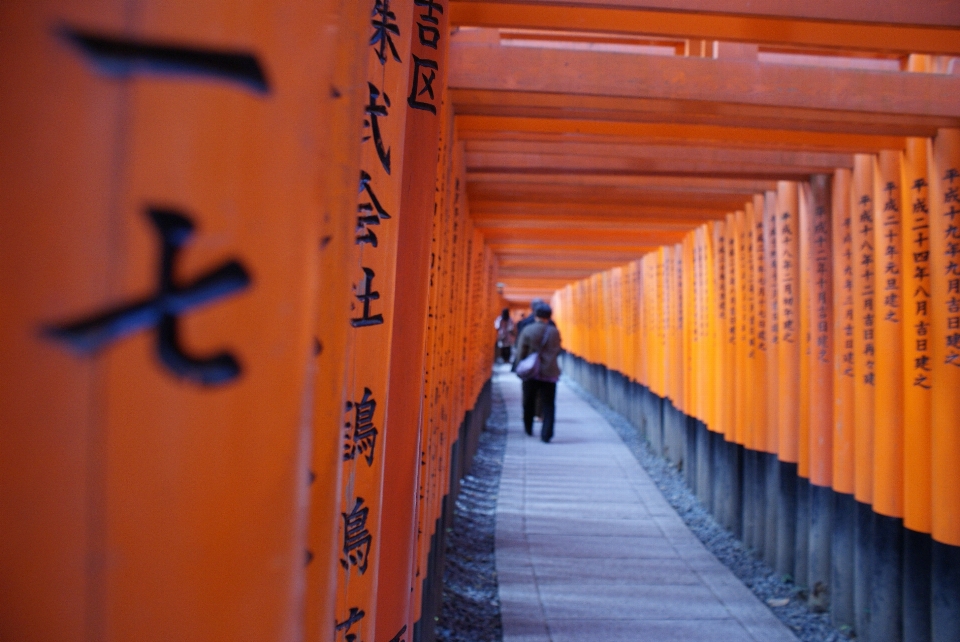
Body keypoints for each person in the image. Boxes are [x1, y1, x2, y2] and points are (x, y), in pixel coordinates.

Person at [514, 303, 562, 443]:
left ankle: (528, 428)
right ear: (549, 316)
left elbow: (520, 351)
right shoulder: (554, 331)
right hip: (549, 372)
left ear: (535, 315)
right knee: (549, 404)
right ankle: (546, 434)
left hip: (531, 372)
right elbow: (557, 350)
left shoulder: (528, 330)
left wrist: (520, 365)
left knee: (528, 401)